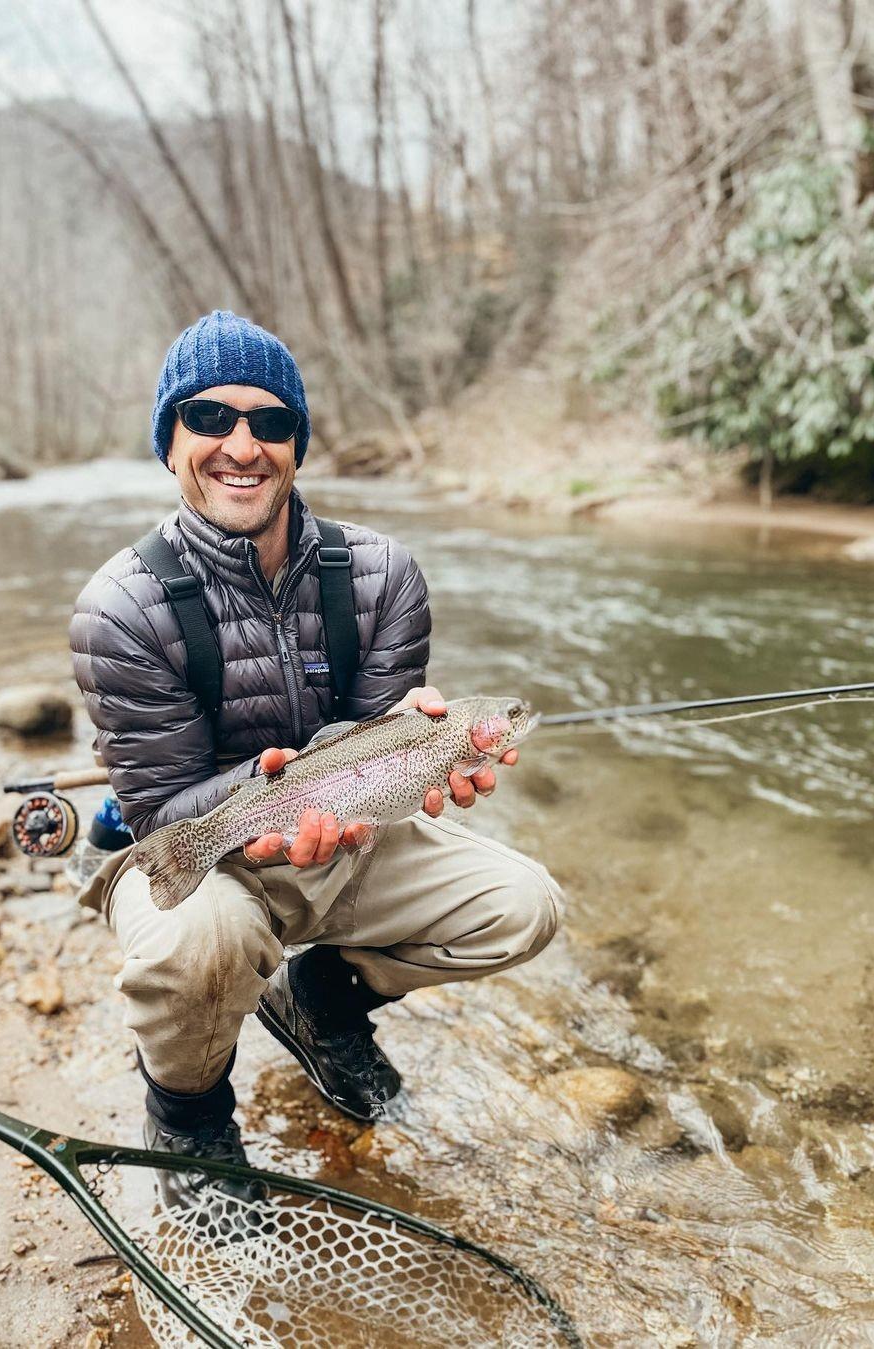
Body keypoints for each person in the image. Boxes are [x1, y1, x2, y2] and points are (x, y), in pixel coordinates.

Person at [69, 310, 562, 1213]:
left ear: (299, 442)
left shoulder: (384, 572)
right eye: (211, 419)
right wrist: (262, 807)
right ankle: (188, 1113)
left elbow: (382, 743)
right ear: (170, 443)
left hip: (350, 821)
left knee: (526, 905)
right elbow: (161, 811)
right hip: (208, 847)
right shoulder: (120, 607)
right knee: (198, 939)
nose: (242, 445)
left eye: (271, 422)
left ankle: (322, 1002)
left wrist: (431, 753)